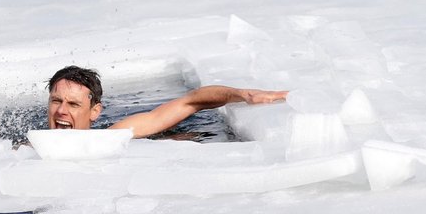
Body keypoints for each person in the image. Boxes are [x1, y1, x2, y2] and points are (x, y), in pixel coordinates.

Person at [46, 65, 287, 138]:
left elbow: (191, 102)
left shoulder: (114, 136)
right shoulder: (26, 151)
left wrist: (243, 94)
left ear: (95, 111)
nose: (61, 111)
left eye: (74, 104)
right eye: (56, 101)